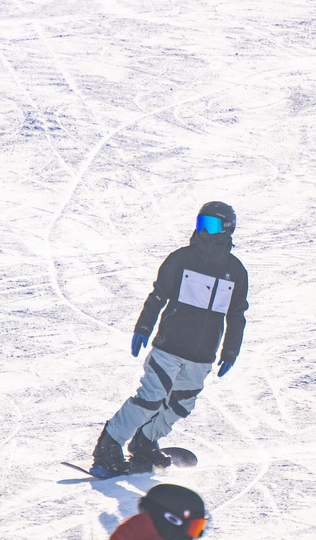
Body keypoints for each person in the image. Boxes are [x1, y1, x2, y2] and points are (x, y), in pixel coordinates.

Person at [92, 202, 248, 477]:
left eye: (209, 226)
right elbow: (158, 296)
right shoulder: (182, 258)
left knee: (180, 405)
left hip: (202, 355)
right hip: (169, 346)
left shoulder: (235, 272)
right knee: (150, 398)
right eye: (200, 224)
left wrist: (230, 350)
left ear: (226, 228)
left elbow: (236, 315)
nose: (203, 231)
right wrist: (144, 327)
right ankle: (109, 444)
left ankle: (145, 441)